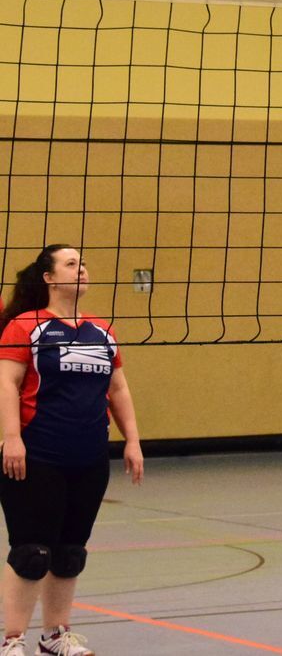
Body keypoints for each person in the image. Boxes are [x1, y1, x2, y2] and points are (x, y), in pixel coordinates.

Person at [0, 246, 143, 656]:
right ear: (48, 278)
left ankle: (55, 635)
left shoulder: (101, 331)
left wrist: (132, 440)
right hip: (37, 453)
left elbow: (118, 388)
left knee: (69, 553)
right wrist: (12, 438)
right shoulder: (26, 326)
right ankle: (13, 640)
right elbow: (7, 383)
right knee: (31, 553)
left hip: (89, 456)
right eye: (71, 264)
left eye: (83, 264)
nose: (81, 270)